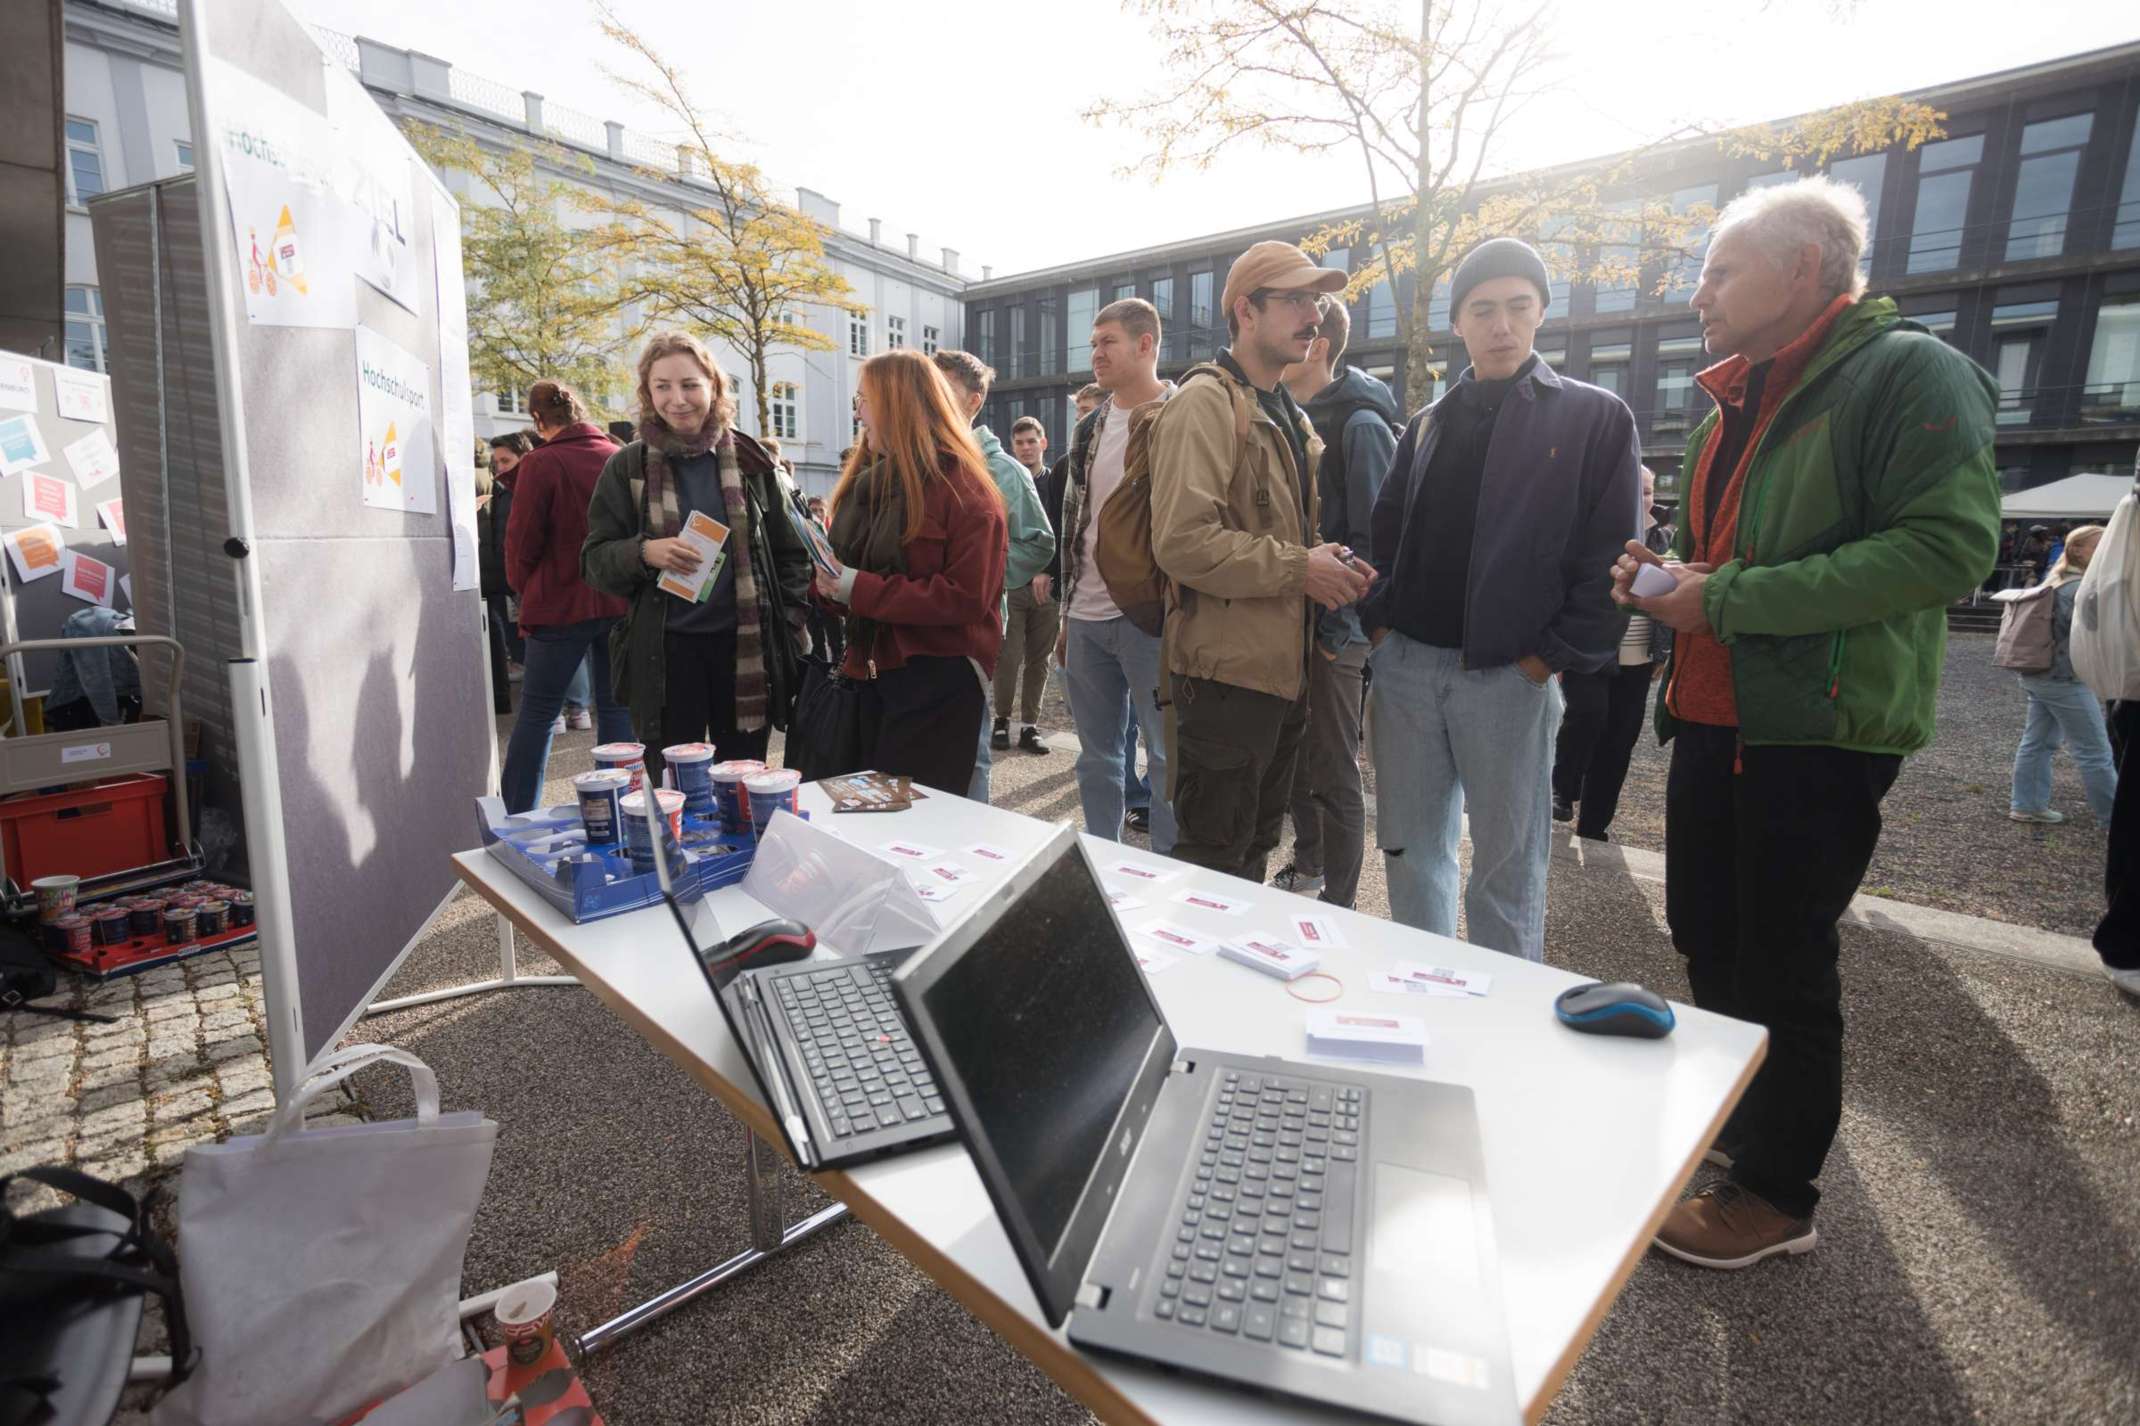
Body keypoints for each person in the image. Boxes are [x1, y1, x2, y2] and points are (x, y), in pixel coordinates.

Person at [1613, 176, 2001, 1268]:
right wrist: (1663, 578)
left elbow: (1945, 549)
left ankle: (1777, 1196)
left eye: (1719, 269)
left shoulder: (1908, 373)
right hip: (1711, 709)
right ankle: (1734, 1141)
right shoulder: (1736, 391)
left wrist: (1720, 599)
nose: (1698, 293)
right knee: (1706, 934)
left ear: (1805, 269)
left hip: (1816, 723)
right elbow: (1725, 556)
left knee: (1780, 957)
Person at [1359, 237, 1640, 956]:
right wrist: (1382, 626)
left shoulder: (1594, 417)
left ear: (1542, 311)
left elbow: (1610, 552)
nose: (1501, 325)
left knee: (1509, 867)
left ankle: (1503, 1026)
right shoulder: (1426, 423)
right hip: (1409, 666)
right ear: (1459, 323)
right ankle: (1423, 992)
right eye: (1482, 310)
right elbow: (1386, 533)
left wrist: (1549, 660)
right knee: (1410, 853)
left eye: (1519, 306)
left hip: (1510, 674)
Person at [1148, 243, 1370, 882]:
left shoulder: (1285, 412)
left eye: (1319, 301)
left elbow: (1274, 534)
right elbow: (1184, 543)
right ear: (1246, 310)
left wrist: (1326, 561)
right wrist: (1304, 568)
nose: (1315, 316)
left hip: (1278, 676)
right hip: (1224, 681)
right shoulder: (1206, 402)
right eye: (1297, 300)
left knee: (1249, 858)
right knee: (1213, 868)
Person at [582, 332, 813, 783]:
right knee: (674, 787)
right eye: (662, 386)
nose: (678, 399)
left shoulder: (751, 461)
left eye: (689, 384)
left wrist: (786, 624)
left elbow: (793, 554)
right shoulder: (626, 467)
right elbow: (593, 561)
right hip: (665, 657)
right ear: (647, 394)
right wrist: (645, 551)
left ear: (713, 385)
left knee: (743, 786)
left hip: (744, 652)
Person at [812, 349, 1008, 792]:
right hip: (871, 673)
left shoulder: (965, 489)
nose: (859, 412)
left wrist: (854, 587)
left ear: (899, 403)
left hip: (936, 682)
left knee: (918, 822)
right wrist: (829, 584)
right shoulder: (873, 480)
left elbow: (965, 596)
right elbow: (849, 576)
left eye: (866, 400)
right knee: (874, 817)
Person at [1273, 294, 1400, 907]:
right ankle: (1308, 864)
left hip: (1335, 632)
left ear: (1317, 343)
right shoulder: (1288, 415)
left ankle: (1342, 902)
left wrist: (1346, 628)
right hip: (1287, 622)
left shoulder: (1361, 424)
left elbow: (1379, 542)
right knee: (1298, 764)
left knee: (1333, 769)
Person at [1056, 300, 1182, 852]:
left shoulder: (1184, 416)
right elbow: (1072, 524)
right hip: (1084, 619)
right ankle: (1102, 864)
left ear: (1146, 344)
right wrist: (1065, 614)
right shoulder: (1089, 427)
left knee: (1165, 756)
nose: (1096, 354)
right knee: (1098, 757)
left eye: (1108, 341)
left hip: (1152, 619)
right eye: (1093, 343)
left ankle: (1170, 872)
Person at [499, 381, 633, 811]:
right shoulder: (616, 456)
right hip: (616, 599)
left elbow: (522, 542)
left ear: (538, 420)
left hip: (558, 603)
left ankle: (519, 814)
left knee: (538, 713)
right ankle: (615, 807)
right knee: (616, 708)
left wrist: (526, 587)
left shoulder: (541, 462)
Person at [930, 350, 1055, 802]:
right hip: (925, 622)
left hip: (971, 625)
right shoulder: (927, 457)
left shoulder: (1003, 469)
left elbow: (1040, 542)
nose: (932, 399)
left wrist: (981, 575)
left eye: (945, 390)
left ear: (974, 401)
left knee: (969, 748)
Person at [1552, 465, 1674, 841]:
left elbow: (1670, 592)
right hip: (1590, 651)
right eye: (1635, 489)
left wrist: (1662, 653)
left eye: (1649, 491)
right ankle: (1562, 791)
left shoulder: (1665, 538)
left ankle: (1595, 823)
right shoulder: (1592, 529)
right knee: (1586, 714)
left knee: (1621, 738)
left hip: (1639, 656)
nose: (1643, 498)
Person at [2009, 524, 2114, 828]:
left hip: (2038, 672)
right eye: (2098, 545)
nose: (2105, 550)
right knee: (2094, 751)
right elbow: (2093, 633)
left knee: (2038, 742)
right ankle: (2116, 819)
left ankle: (2027, 805)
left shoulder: (2054, 581)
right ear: (2077, 550)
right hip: (2065, 678)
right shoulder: (2080, 588)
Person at [992, 415, 1060, 756]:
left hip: (1049, 587)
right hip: (1014, 584)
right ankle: (1001, 720)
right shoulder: (1005, 479)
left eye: (1032, 441)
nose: (1026, 448)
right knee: (1008, 656)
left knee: (1040, 659)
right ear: (1012, 446)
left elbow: (1064, 532)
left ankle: (1030, 726)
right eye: (1019, 442)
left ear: (1043, 443)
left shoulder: (1057, 483)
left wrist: (1049, 571)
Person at [486, 431, 536, 674]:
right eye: (497, 462)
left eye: (506, 461)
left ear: (524, 457)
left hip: (531, 578)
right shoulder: (502, 488)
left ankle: (577, 707)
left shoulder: (531, 486)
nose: (500, 468)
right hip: (512, 577)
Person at [475, 465, 512, 714]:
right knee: (496, 629)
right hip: (493, 563)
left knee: (494, 631)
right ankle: (501, 697)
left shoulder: (472, 474)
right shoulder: (488, 476)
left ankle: (499, 697)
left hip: (483, 563)